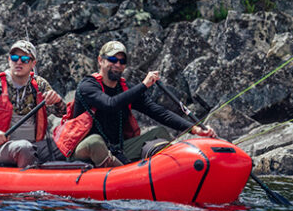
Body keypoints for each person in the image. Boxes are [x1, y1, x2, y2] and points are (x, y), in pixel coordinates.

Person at [53, 40, 216, 167]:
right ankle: (126, 172)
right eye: (112, 59)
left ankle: (158, 170)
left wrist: (194, 129)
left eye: (122, 62)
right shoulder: (87, 86)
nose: (117, 65)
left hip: (117, 148)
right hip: (85, 149)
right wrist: (144, 85)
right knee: (96, 141)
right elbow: (110, 104)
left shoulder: (125, 88)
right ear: (100, 61)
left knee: (158, 132)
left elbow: (158, 112)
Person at [0, 40, 66, 168]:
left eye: (24, 59)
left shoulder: (40, 85)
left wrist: (57, 101)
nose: (18, 62)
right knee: (24, 148)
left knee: (64, 145)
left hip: (35, 145)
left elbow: (62, 113)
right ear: (9, 60)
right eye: (14, 58)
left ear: (33, 63)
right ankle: (25, 181)